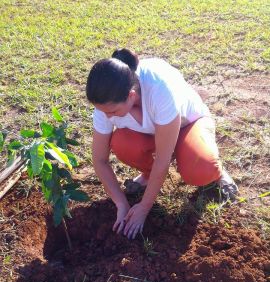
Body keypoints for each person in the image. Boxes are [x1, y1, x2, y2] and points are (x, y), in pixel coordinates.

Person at [86, 48, 238, 240]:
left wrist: (144, 207)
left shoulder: (159, 90)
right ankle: (148, 176)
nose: (107, 117)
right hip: (154, 133)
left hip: (187, 124)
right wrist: (121, 204)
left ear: (132, 96)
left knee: (201, 169)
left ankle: (218, 171)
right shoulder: (107, 101)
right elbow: (99, 159)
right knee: (123, 143)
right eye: (103, 112)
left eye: (113, 112)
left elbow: (163, 161)